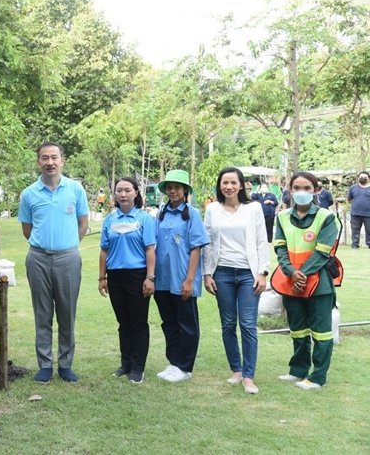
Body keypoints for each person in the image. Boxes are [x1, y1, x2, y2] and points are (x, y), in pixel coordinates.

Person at [18, 142, 89, 383]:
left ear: (62, 160)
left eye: (54, 157)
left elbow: (83, 224)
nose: (50, 162)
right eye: (45, 158)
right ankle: (45, 364)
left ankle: (66, 364)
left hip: (68, 258)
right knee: (43, 313)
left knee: (67, 312)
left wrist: (66, 246)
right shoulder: (29, 194)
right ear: (38, 161)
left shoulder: (75, 190)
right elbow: (27, 229)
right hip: (37, 258)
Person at [203, 167, 269, 395]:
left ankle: (249, 376)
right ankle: (236, 369)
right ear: (219, 186)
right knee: (228, 323)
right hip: (222, 273)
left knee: (248, 324)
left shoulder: (253, 208)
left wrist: (263, 272)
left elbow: (262, 241)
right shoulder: (212, 209)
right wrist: (207, 273)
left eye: (233, 182)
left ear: (241, 185)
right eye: (224, 183)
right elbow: (208, 242)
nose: (228, 186)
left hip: (248, 274)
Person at [273, 171, 340, 390]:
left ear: (316, 191)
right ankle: (298, 370)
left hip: (319, 284)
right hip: (291, 282)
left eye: (307, 188)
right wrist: (292, 272)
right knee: (298, 330)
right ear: (290, 191)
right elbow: (280, 248)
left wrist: (300, 274)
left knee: (321, 332)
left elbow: (323, 252)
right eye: (297, 188)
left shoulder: (326, 217)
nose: (301, 192)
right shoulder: (282, 217)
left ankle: (317, 377)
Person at [98, 177, 156, 385]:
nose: (123, 194)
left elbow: (150, 249)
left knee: (138, 322)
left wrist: (150, 277)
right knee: (123, 322)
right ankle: (126, 363)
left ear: (136, 193)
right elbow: (104, 251)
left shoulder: (144, 218)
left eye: (127, 190)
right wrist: (102, 277)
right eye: (119, 190)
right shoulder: (110, 221)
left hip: (138, 275)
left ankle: (138, 366)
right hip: (115, 276)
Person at [153, 170, 209, 383]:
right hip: (163, 279)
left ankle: (185, 366)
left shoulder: (192, 214)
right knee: (169, 322)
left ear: (185, 190)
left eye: (177, 187)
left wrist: (189, 280)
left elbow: (196, 248)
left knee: (186, 323)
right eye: (169, 187)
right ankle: (173, 362)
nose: (173, 190)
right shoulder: (162, 213)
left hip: (183, 279)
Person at [347, 171, 370, 248]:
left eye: (364, 177)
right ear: (358, 178)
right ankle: (355, 245)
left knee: (369, 230)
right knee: (355, 230)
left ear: (368, 179)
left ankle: (369, 244)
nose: (362, 179)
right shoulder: (353, 187)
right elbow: (349, 199)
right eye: (361, 177)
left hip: (368, 214)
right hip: (355, 213)